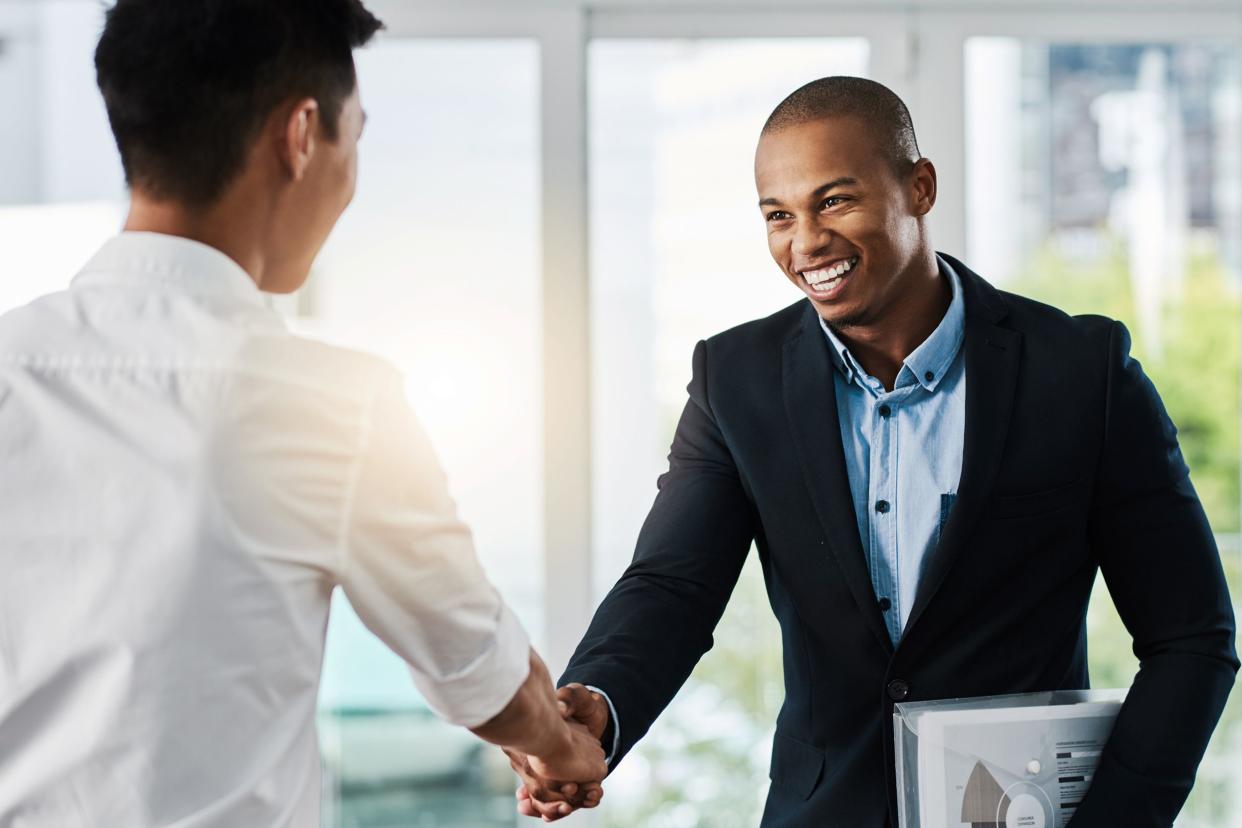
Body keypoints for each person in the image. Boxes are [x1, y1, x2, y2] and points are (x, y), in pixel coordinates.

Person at [509, 76, 1238, 826]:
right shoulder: (735, 380)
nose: (806, 242)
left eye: (834, 201)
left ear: (919, 186)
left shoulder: (1081, 371)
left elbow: (1192, 639)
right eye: (778, 216)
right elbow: (672, 588)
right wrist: (598, 704)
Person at [0, 1, 603, 825]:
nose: (351, 176)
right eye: (353, 138)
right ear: (299, 135)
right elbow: (476, 666)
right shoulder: (329, 406)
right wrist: (560, 749)